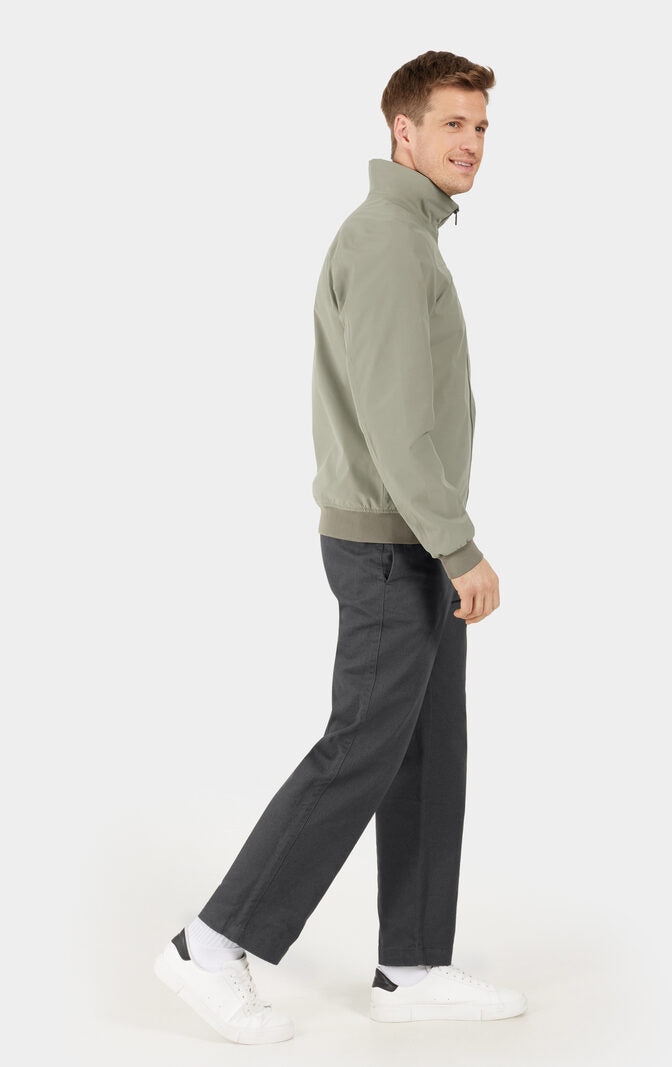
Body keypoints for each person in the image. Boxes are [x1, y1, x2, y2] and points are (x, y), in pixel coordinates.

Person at [154, 49, 526, 1044]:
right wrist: (458, 546)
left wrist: (442, 541)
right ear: (402, 130)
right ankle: (209, 942)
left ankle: (413, 963)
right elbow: (398, 425)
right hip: (392, 544)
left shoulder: (408, 236)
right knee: (360, 748)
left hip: (409, 538)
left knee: (426, 749)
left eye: (480, 127)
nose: (471, 144)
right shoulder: (390, 244)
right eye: (452, 124)